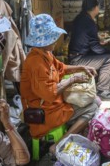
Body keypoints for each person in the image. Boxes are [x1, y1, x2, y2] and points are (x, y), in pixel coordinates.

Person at [20, 14, 99, 155]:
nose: (55, 40)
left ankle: (73, 135)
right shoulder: (36, 62)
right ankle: (59, 144)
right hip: (44, 112)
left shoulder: (45, 54)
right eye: (52, 37)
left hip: (53, 105)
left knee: (96, 100)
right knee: (92, 107)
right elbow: (50, 93)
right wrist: (73, 79)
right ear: (44, 40)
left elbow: (61, 68)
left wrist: (81, 67)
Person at [68, 0, 110, 99]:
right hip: (78, 60)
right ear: (95, 8)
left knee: (106, 53)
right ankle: (103, 89)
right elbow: (96, 48)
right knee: (109, 59)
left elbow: (87, 40)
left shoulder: (80, 18)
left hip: (76, 55)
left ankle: (98, 84)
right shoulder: (89, 22)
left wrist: (99, 42)